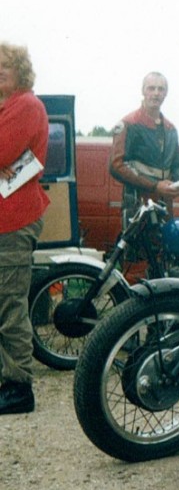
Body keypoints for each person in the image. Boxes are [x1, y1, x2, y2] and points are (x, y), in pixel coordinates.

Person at [0, 43, 49, 414]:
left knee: (9, 304)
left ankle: (19, 388)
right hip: (6, 218)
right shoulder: (8, 106)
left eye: (5, 66)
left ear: (20, 71)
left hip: (13, 220)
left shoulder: (25, 105)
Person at [109, 72, 179, 228]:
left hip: (164, 206)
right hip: (137, 206)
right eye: (151, 88)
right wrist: (155, 185)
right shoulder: (128, 124)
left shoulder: (170, 129)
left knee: (165, 250)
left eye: (160, 89)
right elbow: (116, 165)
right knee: (137, 251)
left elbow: (176, 164)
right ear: (143, 91)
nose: (156, 93)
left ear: (166, 93)